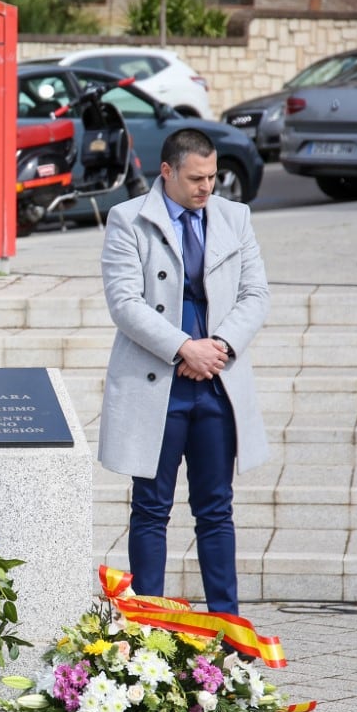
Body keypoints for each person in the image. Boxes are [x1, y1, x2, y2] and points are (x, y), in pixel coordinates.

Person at [97, 128, 269, 617]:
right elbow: (125, 303)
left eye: (213, 176)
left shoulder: (236, 217)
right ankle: (147, 628)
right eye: (197, 178)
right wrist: (182, 349)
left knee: (216, 510)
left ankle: (227, 628)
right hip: (159, 386)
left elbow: (256, 294)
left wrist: (219, 346)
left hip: (218, 381)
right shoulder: (128, 219)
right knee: (150, 510)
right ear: (167, 172)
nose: (208, 188)